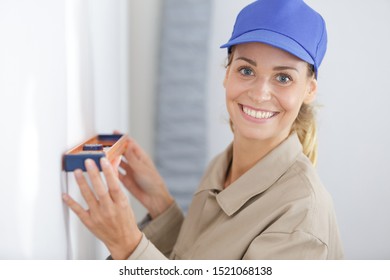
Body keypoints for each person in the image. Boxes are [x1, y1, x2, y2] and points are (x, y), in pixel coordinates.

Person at [63, 0, 343, 259]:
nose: (260, 94)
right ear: (227, 72)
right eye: (246, 70)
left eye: (283, 77)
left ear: (309, 90)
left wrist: (128, 245)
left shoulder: (301, 217)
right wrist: (164, 210)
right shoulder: (222, 166)